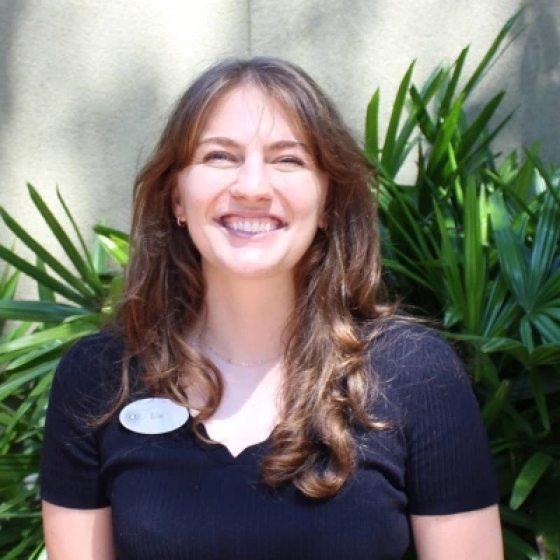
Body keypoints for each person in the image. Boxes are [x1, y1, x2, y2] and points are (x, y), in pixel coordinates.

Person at [40, 57, 503, 559]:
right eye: (220, 156)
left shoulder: (416, 375)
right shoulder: (99, 378)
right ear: (176, 196)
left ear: (328, 201)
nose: (252, 187)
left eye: (288, 160)